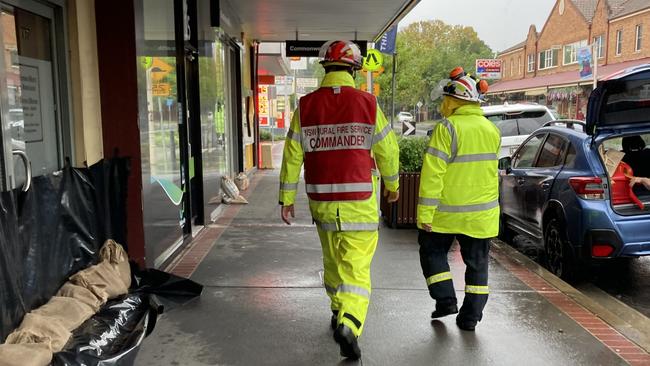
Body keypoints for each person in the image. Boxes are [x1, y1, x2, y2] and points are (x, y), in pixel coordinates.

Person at [278, 40, 399, 359]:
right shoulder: (368, 103)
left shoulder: (305, 106)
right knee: (356, 270)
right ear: (355, 70)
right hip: (359, 202)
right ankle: (349, 323)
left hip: (321, 204)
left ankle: (336, 312)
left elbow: (292, 156)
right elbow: (387, 150)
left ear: (324, 69)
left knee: (332, 264)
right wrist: (393, 184)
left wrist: (286, 197)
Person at [418, 67, 500, 331]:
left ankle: (445, 300)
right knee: (477, 266)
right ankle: (470, 318)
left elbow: (433, 174)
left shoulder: (447, 129)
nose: (443, 103)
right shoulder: (491, 130)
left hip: (446, 213)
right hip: (481, 215)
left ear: (456, 100)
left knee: (432, 251)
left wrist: (424, 215)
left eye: (446, 99)